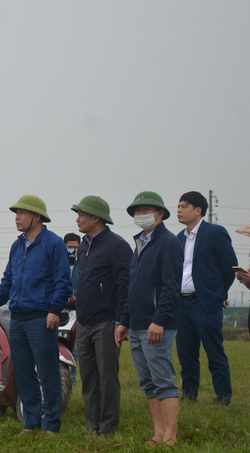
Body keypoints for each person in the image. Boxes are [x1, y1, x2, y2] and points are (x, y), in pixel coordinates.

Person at [0, 195, 72, 435]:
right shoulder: (17, 245)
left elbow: (63, 282)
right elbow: (8, 280)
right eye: (16, 213)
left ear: (37, 217)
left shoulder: (54, 244)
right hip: (17, 319)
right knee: (23, 373)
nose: (17, 218)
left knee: (48, 372)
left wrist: (54, 310)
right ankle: (31, 423)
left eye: (21, 213)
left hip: (41, 319)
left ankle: (51, 425)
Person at [115, 191, 183, 447]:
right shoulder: (140, 244)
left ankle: (171, 437)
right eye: (137, 211)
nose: (141, 215)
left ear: (160, 214)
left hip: (157, 325)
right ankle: (157, 433)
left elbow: (170, 286)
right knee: (148, 382)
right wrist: (124, 321)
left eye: (146, 210)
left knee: (163, 380)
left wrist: (160, 320)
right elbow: (133, 289)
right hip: (137, 324)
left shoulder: (168, 243)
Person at [71, 195, 131, 435]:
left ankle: (107, 427)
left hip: (107, 322)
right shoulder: (84, 244)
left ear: (96, 218)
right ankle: (91, 424)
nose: (77, 219)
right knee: (88, 377)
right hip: (84, 322)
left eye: (81, 215)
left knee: (107, 378)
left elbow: (125, 286)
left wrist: (121, 321)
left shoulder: (117, 245)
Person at [175, 191, 237, 405]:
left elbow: (229, 269)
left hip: (205, 304)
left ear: (198, 210)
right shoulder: (178, 238)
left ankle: (222, 397)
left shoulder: (215, 232)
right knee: (186, 354)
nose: (179, 210)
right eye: (178, 206)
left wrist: (219, 294)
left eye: (183, 206)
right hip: (182, 304)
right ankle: (189, 396)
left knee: (214, 352)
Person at [63, 232, 81, 384]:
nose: (73, 250)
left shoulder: (83, 263)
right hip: (61, 309)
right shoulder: (59, 262)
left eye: (76, 247)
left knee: (75, 348)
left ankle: (72, 380)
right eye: (70, 247)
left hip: (78, 309)